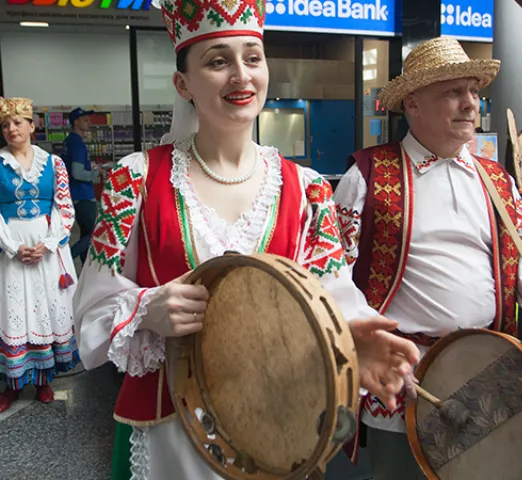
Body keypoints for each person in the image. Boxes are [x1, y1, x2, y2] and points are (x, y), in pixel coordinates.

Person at [71, 1, 419, 478]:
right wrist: (147, 309)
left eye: (253, 57)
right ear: (183, 83)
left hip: (273, 426)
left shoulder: (308, 188)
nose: (241, 75)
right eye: (217, 61)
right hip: (171, 430)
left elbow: (332, 293)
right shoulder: (136, 181)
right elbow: (91, 312)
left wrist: (352, 336)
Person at [335, 37, 522, 480]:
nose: (470, 103)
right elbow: (333, 276)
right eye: (453, 92)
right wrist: (368, 353)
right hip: (407, 379)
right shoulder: (370, 175)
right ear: (413, 103)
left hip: (490, 376)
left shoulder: (497, 179)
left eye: (474, 91)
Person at [0, 97, 78, 412]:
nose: (11, 129)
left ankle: (44, 380)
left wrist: (48, 243)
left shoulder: (54, 163)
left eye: (17, 122)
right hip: (10, 249)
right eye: (5, 124)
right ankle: (11, 384)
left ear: (32, 126)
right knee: (13, 311)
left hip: (45, 248)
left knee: (44, 310)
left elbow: (64, 208)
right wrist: (12, 246)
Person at [63, 107, 98, 263]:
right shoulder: (77, 144)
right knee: (94, 233)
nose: (89, 123)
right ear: (76, 122)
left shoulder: (68, 141)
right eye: (85, 120)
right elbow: (77, 172)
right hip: (83, 195)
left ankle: (85, 270)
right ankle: (68, 259)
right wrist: (94, 174)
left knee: (86, 234)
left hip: (74, 193)